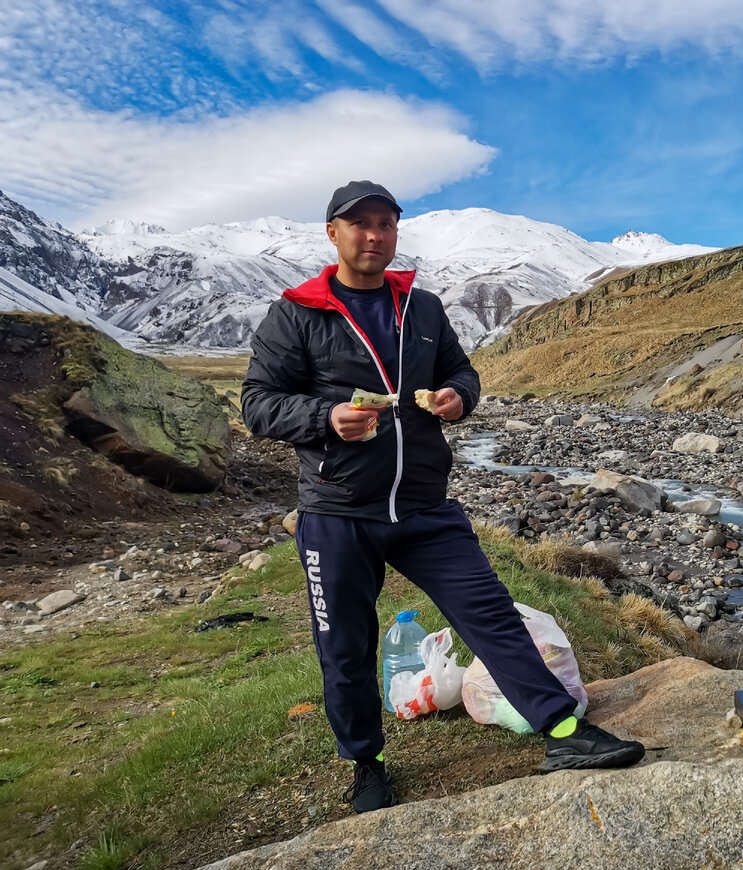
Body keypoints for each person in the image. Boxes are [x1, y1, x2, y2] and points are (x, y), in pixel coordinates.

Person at [241, 180, 644, 814]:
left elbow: (461, 371)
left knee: (491, 615)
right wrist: (325, 419)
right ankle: (366, 764)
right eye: (359, 225)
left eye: (385, 224)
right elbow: (257, 403)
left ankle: (565, 732)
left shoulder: (422, 308)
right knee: (345, 646)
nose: (374, 236)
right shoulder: (296, 314)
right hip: (338, 511)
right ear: (333, 234)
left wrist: (460, 396)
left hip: (426, 505)